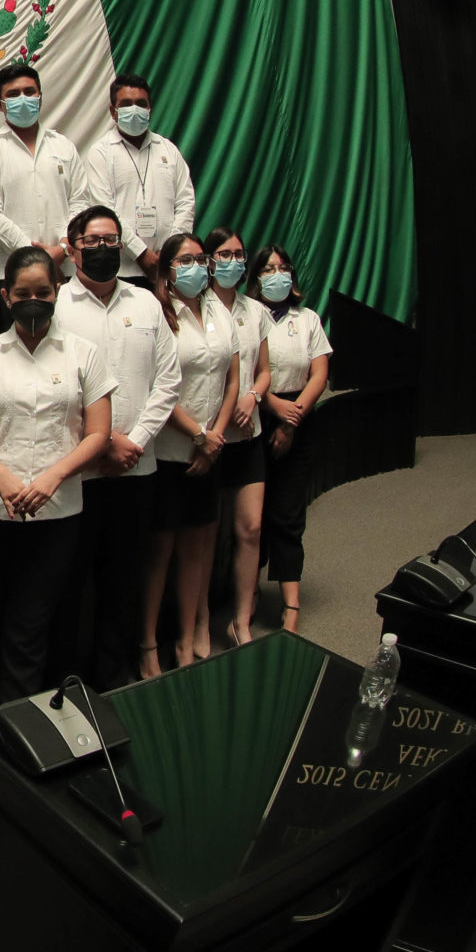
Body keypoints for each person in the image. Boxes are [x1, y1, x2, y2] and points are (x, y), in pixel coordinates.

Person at [0, 245, 116, 706]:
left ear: (58, 291)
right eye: (24, 292)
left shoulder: (84, 354)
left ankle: (16, 730)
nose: (34, 299)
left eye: (43, 290)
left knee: (31, 622)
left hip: (58, 511)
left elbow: (99, 433)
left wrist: (53, 477)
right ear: (6, 296)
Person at [50, 206, 181, 689]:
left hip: (136, 468)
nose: (103, 249)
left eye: (112, 241)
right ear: (72, 245)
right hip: (77, 472)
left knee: (123, 579)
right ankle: (69, 683)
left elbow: (169, 379)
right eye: (93, 241)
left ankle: (114, 678)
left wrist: (137, 440)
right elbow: (50, 386)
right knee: (71, 582)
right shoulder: (57, 306)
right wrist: (99, 443)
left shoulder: (146, 303)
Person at [142, 231, 240, 674]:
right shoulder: (157, 314)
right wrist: (198, 435)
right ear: (166, 270)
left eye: (202, 259)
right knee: (161, 552)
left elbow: (232, 379)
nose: (197, 267)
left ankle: (185, 640)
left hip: (211, 449)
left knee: (199, 548)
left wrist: (214, 438)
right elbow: (156, 388)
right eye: (186, 261)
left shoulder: (220, 309)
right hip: (169, 450)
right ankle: (147, 644)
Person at [253, 246, 332, 636]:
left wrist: (292, 418)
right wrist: (274, 410)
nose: (278, 274)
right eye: (269, 268)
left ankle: (291, 605)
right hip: (256, 420)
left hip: (300, 422)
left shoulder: (308, 319)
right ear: (256, 277)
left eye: (283, 267)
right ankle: (247, 593)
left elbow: (319, 374)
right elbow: (241, 375)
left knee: (287, 514)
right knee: (251, 520)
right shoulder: (247, 317)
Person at [205, 227, 275, 647]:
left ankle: (242, 620)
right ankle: (197, 621)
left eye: (239, 254)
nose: (233, 261)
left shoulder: (256, 310)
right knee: (209, 534)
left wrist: (253, 395)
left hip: (250, 435)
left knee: (251, 527)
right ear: (209, 260)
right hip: (210, 439)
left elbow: (264, 370)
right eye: (224, 254)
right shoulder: (195, 308)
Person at [70, 75, 197, 284]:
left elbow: (185, 201)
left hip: (168, 267)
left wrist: (172, 249)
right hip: (122, 269)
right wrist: (141, 253)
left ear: (150, 109)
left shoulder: (168, 149)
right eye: (126, 104)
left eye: (141, 103)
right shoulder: (100, 152)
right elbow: (105, 211)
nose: (135, 109)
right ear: (113, 111)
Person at [0, 61, 78, 278]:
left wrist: (64, 248)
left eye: (29, 92)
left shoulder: (63, 145)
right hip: (13, 270)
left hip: (67, 267)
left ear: (40, 98)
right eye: (13, 94)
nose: (23, 98)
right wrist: (33, 254)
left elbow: (80, 201)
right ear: (1, 104)